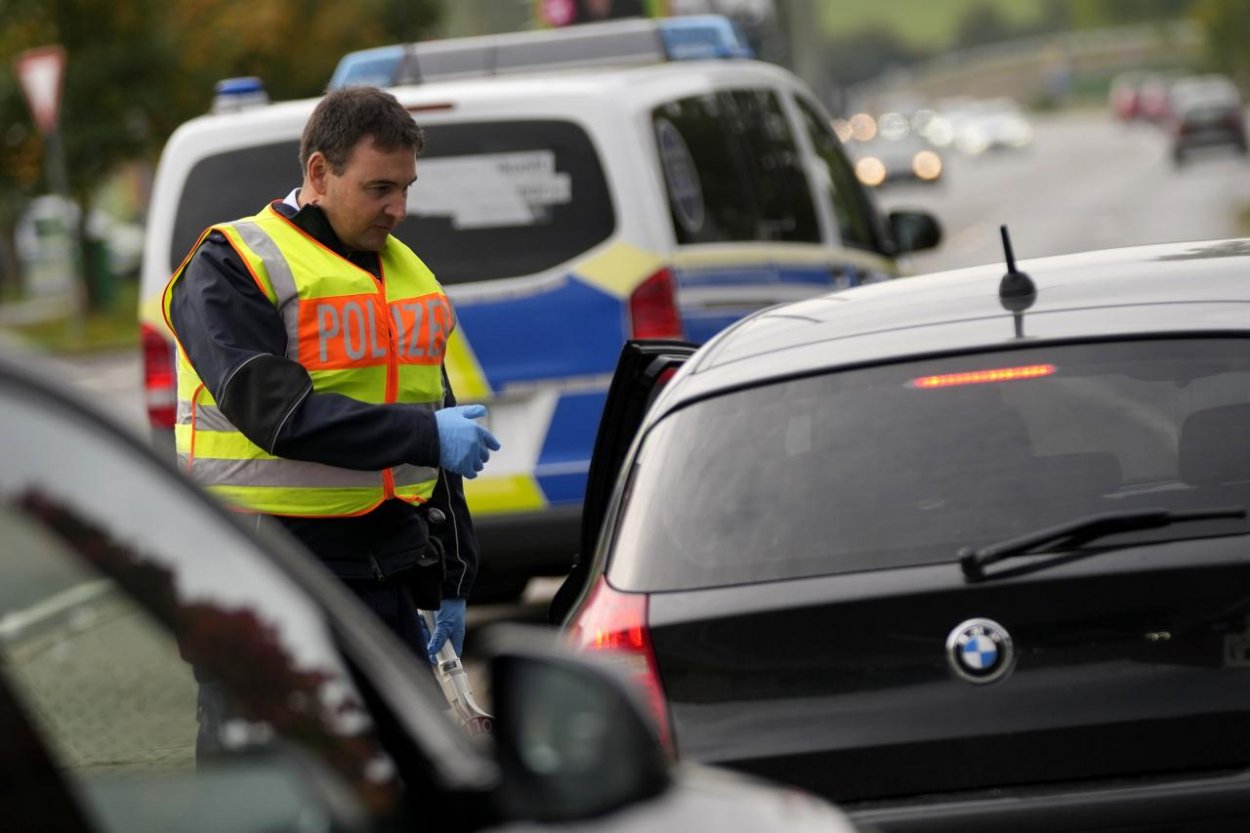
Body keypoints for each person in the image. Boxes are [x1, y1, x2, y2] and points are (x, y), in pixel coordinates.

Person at [162, 85, 499, 671]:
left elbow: (431, 422)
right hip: (262, 578)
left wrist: (450, 574)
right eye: (379, 189)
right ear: (319, 173)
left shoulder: (404, 270)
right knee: (277, 764)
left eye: (405, 188)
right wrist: (426, 434)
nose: (399, 209)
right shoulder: (230, 264)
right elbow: (279, 416)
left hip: (386, 571)